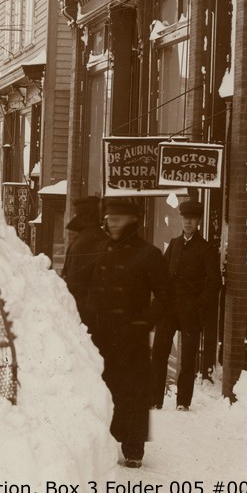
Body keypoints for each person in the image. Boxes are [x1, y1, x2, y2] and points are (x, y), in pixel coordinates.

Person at [81, 197, 170, 469]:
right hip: (102, 336)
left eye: (118, 218)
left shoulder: (149, 254)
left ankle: (133, 449)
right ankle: (103, 444)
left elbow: (166, 297)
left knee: (132, 393)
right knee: (105, 389)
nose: (112, 222)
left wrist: (145, 322)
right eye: (109, 217)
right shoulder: (100, 251)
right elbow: (87, 290)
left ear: (132, 220)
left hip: (132, 339)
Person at [150, 199, 221, 411]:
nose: (188, 222)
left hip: (190, 310)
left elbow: (215, 282)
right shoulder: (174, 244)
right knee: (159, 352)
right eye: (185, 218)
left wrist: (199, 304)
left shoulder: (206, 249)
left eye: (192, 219)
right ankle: (154, 399)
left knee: (188, 357)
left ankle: (183, 401)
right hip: (169, 309)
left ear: (199, 221)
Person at [60, 196, 109, 328]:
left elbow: (76, 282)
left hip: (85, 313)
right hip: (91, 311)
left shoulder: (86, 240)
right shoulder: (95, 237)